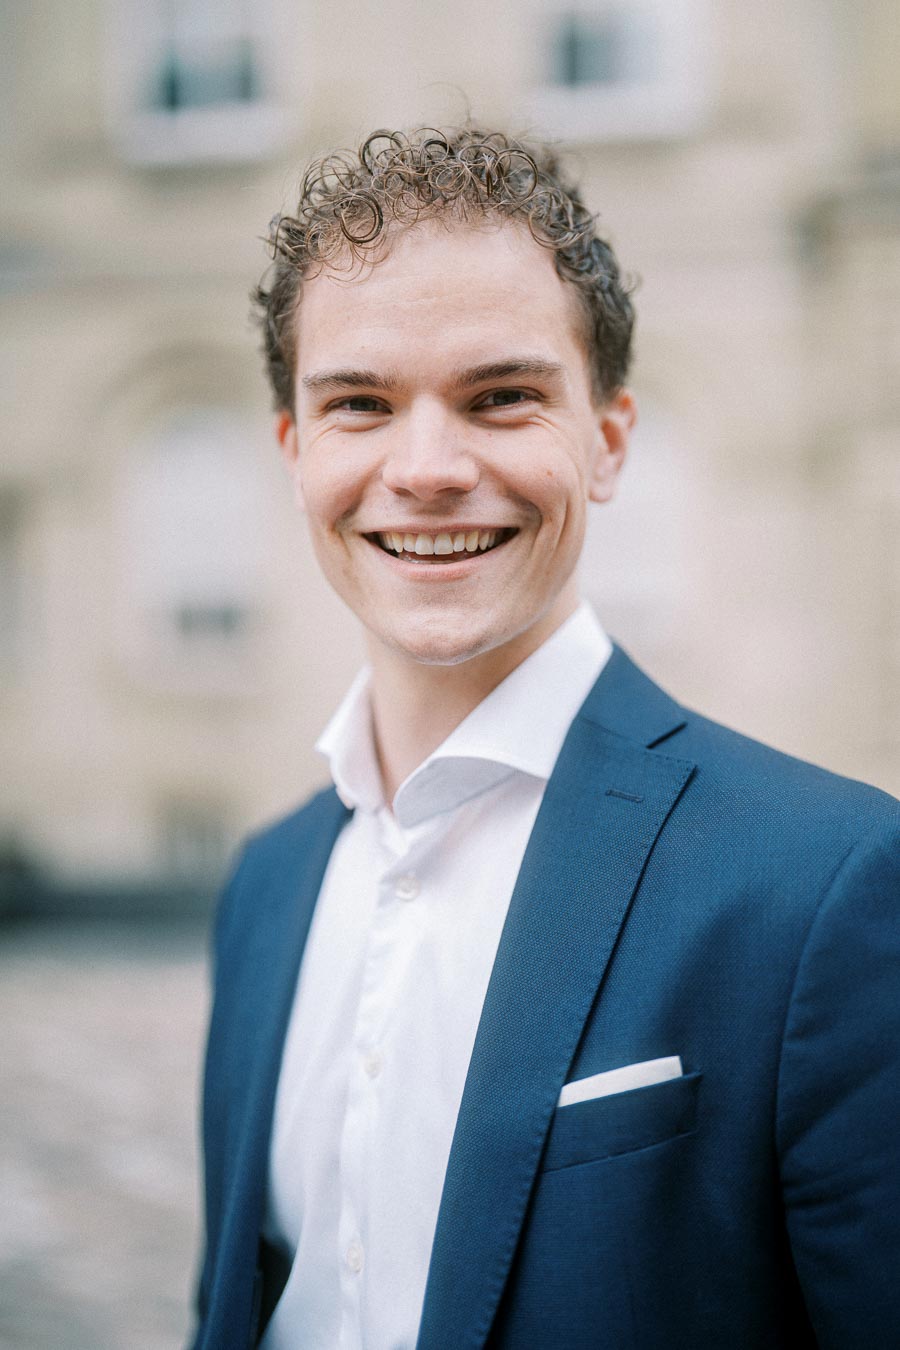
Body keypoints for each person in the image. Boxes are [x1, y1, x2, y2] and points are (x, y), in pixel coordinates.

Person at [192, 126, 900, 1350]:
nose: (426, 469)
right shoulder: (263, 886)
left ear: (609, 440)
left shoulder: (826, 883)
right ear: (295, 451)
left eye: (501, 397)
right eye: (360, 404)